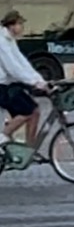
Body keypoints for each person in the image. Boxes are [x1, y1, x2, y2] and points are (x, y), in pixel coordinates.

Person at [0, 10, 49, 154]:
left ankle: (29, 150)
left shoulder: (9, 40)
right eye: (20, 24)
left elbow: (22, 63)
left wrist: (40, 80)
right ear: (11, 25)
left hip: (9, 84)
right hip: (2, 86)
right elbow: (13, 68)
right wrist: (33, 82)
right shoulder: (2, 41)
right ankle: (2, 136)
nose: (22, 27)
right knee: (27, 111)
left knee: (35, 111)